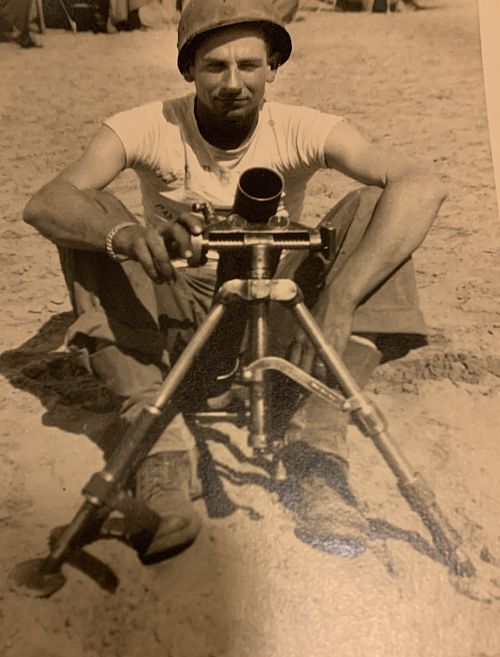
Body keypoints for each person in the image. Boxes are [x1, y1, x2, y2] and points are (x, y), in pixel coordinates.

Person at [23, 0, 446, 564]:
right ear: (187, 70)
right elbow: (45, 202)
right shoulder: (145, 126)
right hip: (176, 321)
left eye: (248, 65)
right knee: (91, 216)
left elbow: (421, 184)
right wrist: (128, 235)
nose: (232, 83)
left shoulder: (302, 127)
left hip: (278, 320)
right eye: (214, 66)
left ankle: (317, 453)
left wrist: (340, 300)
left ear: (273, 67)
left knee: (376, 208)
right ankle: (161, 455)